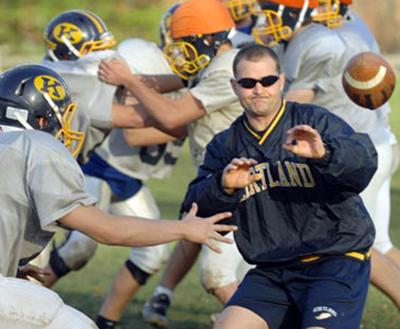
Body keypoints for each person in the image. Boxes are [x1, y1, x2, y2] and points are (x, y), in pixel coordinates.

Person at [0, 64, 236, 329]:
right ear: (42, 119)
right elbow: (107, 230)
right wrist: (182, 229)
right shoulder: (37, 145)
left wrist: (12, 264)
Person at [185, 43, 377, 329]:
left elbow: (364, 164)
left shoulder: (314, 122)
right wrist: (223, 187)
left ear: (282, 81)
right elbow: (194, 210)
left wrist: (324, 154)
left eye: (268, 81)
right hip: (272, 270)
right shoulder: (225, 145)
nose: (259, 89)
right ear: (235, 86)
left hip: (334, 259)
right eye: (248, 83)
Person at [97, 0, 252, 327]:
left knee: (217, 275)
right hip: (225, 179)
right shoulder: (220, 60)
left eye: (185, 44)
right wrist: (133, 81)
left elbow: (172, 114)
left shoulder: (226, 69)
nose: (180, 53)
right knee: (230, 273)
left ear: (206, 39)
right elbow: (180, 83)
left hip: (239, 180)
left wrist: (131, 79)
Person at [258, 0, 400, 309]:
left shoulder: (321, 42)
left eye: (274, 10)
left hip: (356, 154)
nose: (266, 18)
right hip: (375, 140)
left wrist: (248, 92)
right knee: (379, 244)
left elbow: (290, 103)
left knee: (352, 243)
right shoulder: (344, 23)